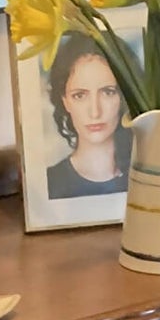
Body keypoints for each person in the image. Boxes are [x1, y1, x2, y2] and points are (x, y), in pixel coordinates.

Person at [46, 33, 131, 200]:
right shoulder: (49, 184)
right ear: (65, 101)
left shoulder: (149, 179)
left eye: (108, 92)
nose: (95, 112)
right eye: (79, 95)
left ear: (124, 97)